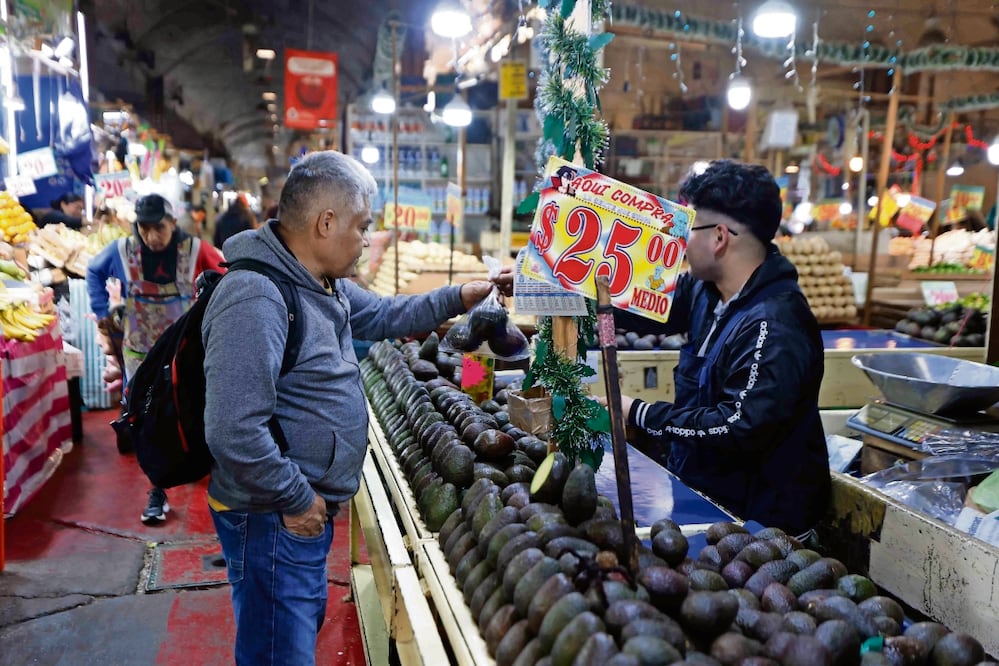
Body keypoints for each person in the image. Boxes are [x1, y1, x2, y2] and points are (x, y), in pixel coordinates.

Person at [201, 150, 506, 665]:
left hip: (293, 512)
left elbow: (385, 314)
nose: (367, 240)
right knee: (278, 651)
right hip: (271, 515)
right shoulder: (256, 296)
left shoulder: (322, 281)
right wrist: (298, 499)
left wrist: (462, 296)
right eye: (362, 226)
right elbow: (232, 429)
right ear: (326, 223)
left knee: (290, 635)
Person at [609, 160, 830, 536]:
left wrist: (639, 412)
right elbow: (642, 303)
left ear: (719, 237)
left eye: (688, 228)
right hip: (707, 502)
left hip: (761, 531)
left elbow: (736, 427)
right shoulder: (706, 291)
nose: (680, 241)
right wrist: (553, 286)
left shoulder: (775, 325)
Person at [86, 193, 225, 524]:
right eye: (144, 228)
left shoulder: (195, 249)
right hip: (140, 354)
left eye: (158, 228)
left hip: (183, 353)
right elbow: (94, 271)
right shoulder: (123, 250)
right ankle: (156, 490)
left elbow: (224, 272)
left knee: (194, 410)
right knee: (148, 420)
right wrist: (102, 311)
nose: (151, 236)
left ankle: (208, 476)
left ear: (173, 223)